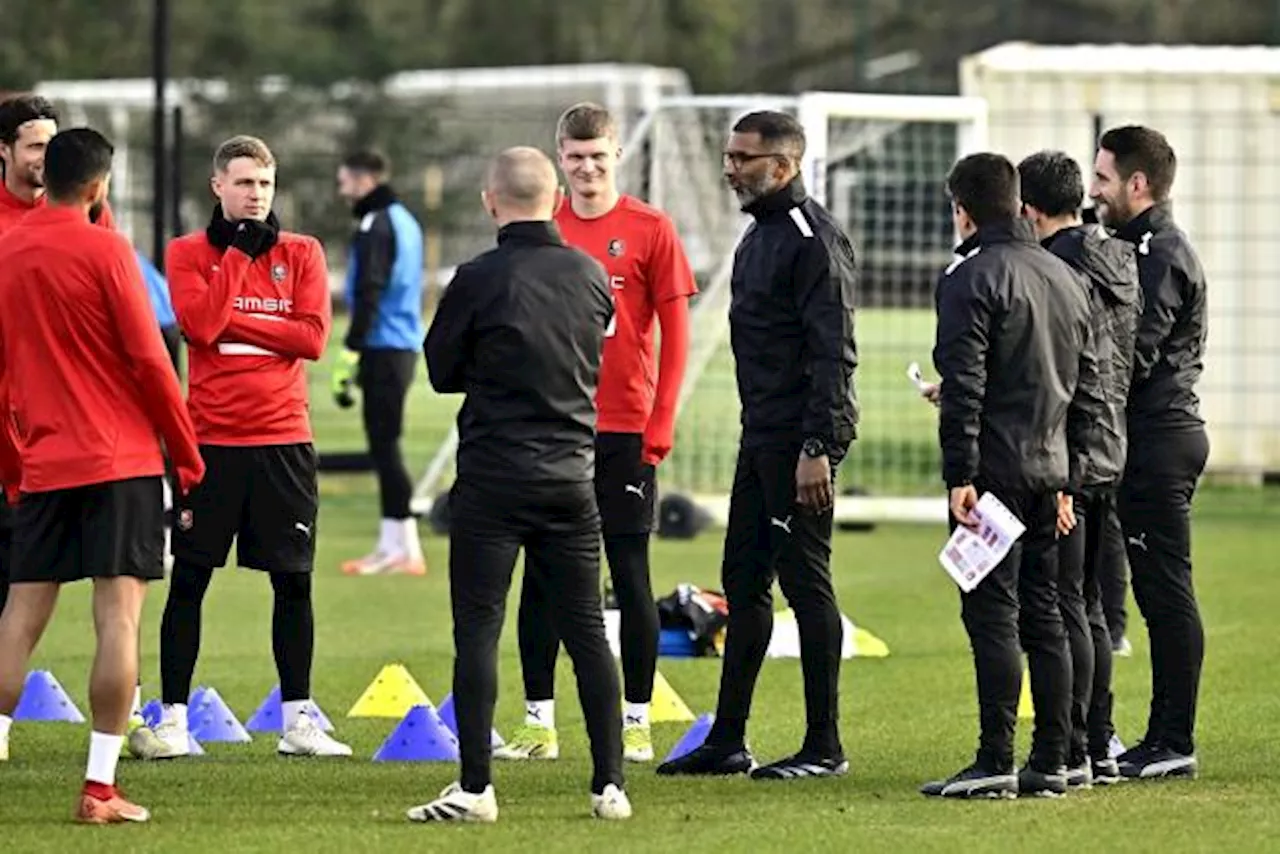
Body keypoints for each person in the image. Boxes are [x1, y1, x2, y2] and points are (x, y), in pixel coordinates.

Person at [409, 146, 629, 823]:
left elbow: (442, 371)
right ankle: (609, 786)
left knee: (478, 629)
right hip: (571, 476)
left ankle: (476, 788)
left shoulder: (476, 277)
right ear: (557, 198)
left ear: (489, 201)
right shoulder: (592, 274)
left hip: (494, 477)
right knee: (588, 632)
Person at [0, 128, 204, 822]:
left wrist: (12, 461)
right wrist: (186, 450)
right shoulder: (108, 248)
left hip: (47, 460)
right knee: (118, 619)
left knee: (18, 619)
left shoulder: (6, 250)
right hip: (121, 461)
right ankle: (98, 790)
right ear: (98, 187)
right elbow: (150, 361)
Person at [656, 110, 857, 781]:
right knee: (743, 583)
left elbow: (834, 355)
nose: (730, 166)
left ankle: (824, 746)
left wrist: (817, 445)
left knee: (805, 583)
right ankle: (729, 740)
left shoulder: (812, 239)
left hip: (800, 442)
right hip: (761, 435)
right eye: (729, 153)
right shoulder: (758, 234)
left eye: (745, 157)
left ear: (786, 163)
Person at [498, 102, 696, 764]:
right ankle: (538, 723)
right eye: (575, 157)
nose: (586, 168)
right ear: (560, 159)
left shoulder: (649, 228)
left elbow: (676, 331)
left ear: (618, 157)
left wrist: (661, 416)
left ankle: (636, 721)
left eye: (598, 157)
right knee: (542, 576)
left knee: (630, 571)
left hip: (623, 430)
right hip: (553, 429)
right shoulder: (538, 228)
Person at [149, 135, 352, 759]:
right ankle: (173, 722)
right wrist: (237, 259)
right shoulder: (186, 252)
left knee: (294, 583)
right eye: (242, 183)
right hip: (209, 442)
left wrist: (233, 315)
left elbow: (313, 338)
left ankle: (298, 723)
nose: (255, 195)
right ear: (218, 187)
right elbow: (199, 327)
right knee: (190, 579)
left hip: (284, 441)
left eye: (263, 184)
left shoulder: (303, 252)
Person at [920, 152, 1103, 800]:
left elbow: (966, 387)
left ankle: (995, 757)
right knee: (1047, 614)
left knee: (992, 613)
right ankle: (1054, 761)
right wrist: (1069, 482)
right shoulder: (1062, 274)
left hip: (993, 470)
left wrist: (959, 474)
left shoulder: (969, 276)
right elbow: (1084, 389)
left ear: (963, 211)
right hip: (1049, 468)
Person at [1018, 150, 1142, 787]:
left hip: (1069, 449)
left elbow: (1061, 369)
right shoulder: (1119, 256)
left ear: (1029, 208)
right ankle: (1098, 745)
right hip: (1113, 441)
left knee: (1063, 603)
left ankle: (1071, 749)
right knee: (1089, 603)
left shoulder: (1056, 266)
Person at [1090, 125, 1209, 780]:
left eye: (1103, 177)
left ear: (1138, 184)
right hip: (1148, 436)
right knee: (1155, 592)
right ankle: (1161, 738)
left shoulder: (1159, 254)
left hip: (1160, 439)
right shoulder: (1134, 247)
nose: (1093, 188)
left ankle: (1174, 740)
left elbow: (1130, 358)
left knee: (1165, 592)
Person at [0, 93, 119, 618]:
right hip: (8, 426)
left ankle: (125, 698)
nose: (46, 158)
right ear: (3, 151)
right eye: (34, 147)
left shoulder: (90, 213)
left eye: (52, 144)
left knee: (108, 579)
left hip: (67, 427)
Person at [333, 149, 427, 577]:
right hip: (400, 344)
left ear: (364, 179)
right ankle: (394, 544)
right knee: (385, 444)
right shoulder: (405, 219)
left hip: (384, 345)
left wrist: (352, 348)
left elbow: (370, 287)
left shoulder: (377, 223)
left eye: (345, 181)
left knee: (385, 446)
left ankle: (402, 548)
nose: (342, 190)